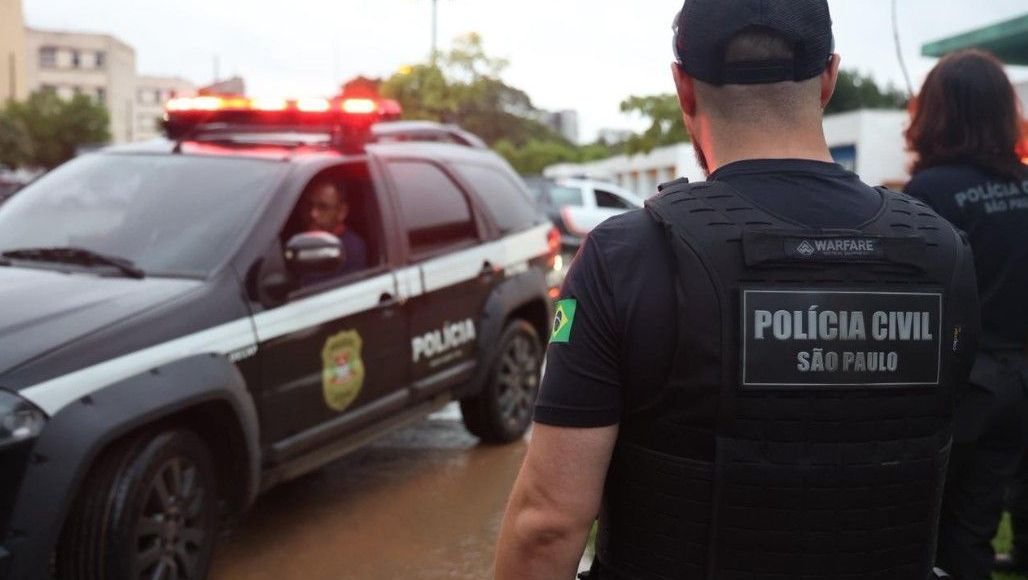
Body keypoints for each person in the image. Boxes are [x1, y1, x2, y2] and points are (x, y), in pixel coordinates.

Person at [494, 1, 980, 579]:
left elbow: (547, 526)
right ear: (828, 77)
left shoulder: (626, 257)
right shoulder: (944, 253)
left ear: (683, 87)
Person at [903, 49, 1028, 580]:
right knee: (978, 522)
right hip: (1020, 382)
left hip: (962, 387)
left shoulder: (929, 193)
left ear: (936, 111)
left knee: (940, 535)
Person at [300, 178, 367, 280]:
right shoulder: (300, 240)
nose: (313, 214)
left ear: (342, 212)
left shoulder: (351, 250)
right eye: (310, 205)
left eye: (323, 207)